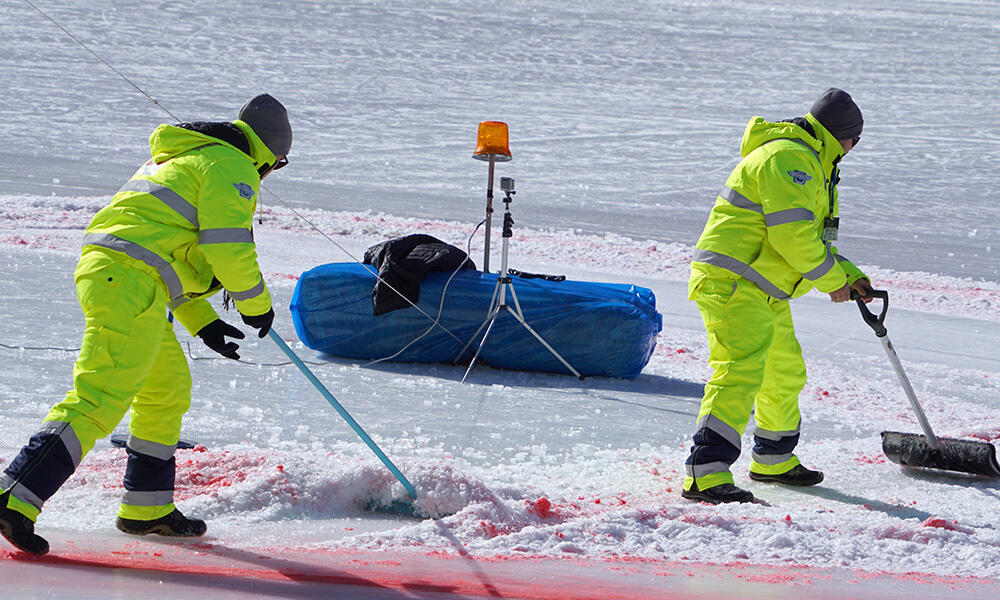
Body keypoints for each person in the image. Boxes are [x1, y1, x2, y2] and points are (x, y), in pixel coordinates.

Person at [0, 94, 292, 554]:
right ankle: (14, 495)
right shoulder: (232, 166)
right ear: (272, 154)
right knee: (100, 395)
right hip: (127, 281)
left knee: (166, 388)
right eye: (281, 163)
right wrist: (255, 302)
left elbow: (167, 253)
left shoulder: (189, 155)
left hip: (128, 279)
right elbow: (227, 245)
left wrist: (204, 321)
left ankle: (147, 509)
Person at [681, 88, 873, 504]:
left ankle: (773, 459)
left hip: (764, 288)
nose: (854, 149)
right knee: (741, 369)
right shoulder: (789, 159)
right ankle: (705, 472)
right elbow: (792, 237)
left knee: (784, 371)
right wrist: (831, 283)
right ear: (844, 136)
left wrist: (851, 277)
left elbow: (817, 240)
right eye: (855, 140)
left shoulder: (816, 164)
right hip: (732, 282)